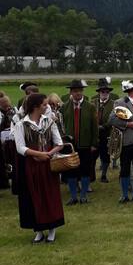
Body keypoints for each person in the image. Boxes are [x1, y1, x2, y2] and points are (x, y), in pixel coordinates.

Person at [14, 93, 64, 243]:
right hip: (31, 166)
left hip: (48, 165)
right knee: (34, 196)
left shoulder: (49, 122)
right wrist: (38, 154)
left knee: (50, 195)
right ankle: (39, 230)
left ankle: (52, 229)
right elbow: (20, 147)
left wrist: (48, 154)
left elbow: (59, 143)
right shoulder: (21, 125)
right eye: (44, 105)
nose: (46, 107)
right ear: (35, 107)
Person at [61, 79, 98, 205]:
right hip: (70, 146)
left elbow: (94, 127)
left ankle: (83, 196)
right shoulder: (64, 107)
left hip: (85, 145)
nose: (78, 93)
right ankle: (73, 196)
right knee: (71, 172)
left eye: (80, 91)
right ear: (70, 92)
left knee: (85, 170)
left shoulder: (90, 107)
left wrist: (94, 143)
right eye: (75, 91)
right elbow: (61, 126)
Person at [92, 78, 115, 183]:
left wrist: (104, 126)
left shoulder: (114, 104)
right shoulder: (93, 102)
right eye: (103, 91)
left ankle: (104, 175)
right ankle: (91, 175)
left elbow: (114, 118)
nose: (105, 93)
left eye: (107, 91)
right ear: (99, 92)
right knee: (92, 156)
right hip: (94, 134)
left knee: (105, 156)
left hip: (107, 133)